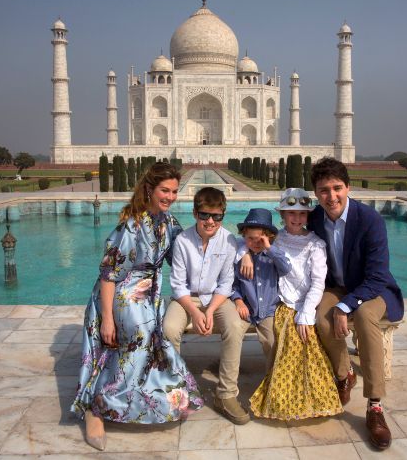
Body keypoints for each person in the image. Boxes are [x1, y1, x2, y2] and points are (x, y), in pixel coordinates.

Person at [70, 162, 203, 451]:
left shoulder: (169, 223)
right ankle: (98, 406)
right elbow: (108, 275)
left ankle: (141, 400)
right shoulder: (131, 225)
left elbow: (186, 258)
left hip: (148, 295)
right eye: (164, 190)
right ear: (149, 189)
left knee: (152, 344)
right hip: (122, 293)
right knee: (139, 340)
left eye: (174, 191)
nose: (169, 196)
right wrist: (107, 319)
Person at [307, 157, 404, 450]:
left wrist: (346, 305)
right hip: (337, 287)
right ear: (316, 193)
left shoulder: (369, 219)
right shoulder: (314, 219)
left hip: (375, 290)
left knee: (363, 316)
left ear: (348, 187)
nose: (331, 196)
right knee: (321, 315)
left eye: (337, 188)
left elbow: (376, 274)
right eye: (324, 190)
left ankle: (374, 405)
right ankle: (344, 373)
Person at [245, 188, 342, 420]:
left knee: (305, 338)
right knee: (291, 340)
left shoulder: (315, 244)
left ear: (308, 216)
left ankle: (310, 397)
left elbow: (318, 283)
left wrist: (306, 314)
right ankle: (286, 399)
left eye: (302, 214)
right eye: (291, 213)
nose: (296, 219)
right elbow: (247, 243)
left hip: (307, 305)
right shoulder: (274, 239)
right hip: (281, 304)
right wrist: (246, 255)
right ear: (282, 214)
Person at [164, 187, 251, 425]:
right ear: (195, 213)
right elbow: (178, 284)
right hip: (187, 298)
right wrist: (195, 311)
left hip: (216, 298)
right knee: (169, 329)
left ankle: (226, 394)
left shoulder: (229, 241)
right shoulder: (182, 241)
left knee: (235, 325)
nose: (210, 221)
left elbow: (225, 283)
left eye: (217, 216)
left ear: (223, 215)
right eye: (204, 215)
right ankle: (176, 391)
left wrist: (210, 311)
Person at [230, 208, 292, 374]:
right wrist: (238, 300)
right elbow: (233, 284)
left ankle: (272, 381)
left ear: (268, 238)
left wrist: (269, 248)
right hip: (246, 309)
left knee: (272, 343)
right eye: (250, 239)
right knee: (232, 334)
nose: (255, 243)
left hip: (268, 311)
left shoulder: (272, 257)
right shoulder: (240, 259)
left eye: (260, 240)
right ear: (244, 237)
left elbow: (286, 268)